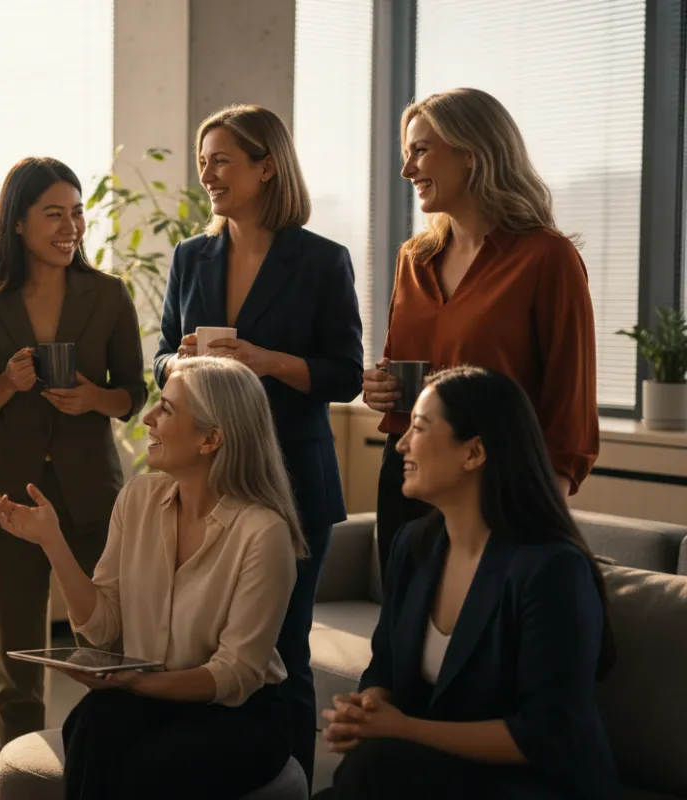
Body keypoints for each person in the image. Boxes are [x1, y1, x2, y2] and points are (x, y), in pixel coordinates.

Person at [152, 103, 363, 784]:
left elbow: (347, 374)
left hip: (294, 475)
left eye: (222, 160)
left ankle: (290, 781)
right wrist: (179, 361)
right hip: (206, 477)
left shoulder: (323, 260)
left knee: (285, 651)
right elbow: (160, 356)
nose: (207, 174)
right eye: (203, 160)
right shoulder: (191, 256)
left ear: (267, 166)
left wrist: (269, 362)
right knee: (205, 646)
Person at [0, 357, 307, 799]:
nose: (148, 417)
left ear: (211, 439)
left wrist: (138, 683)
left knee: (145, 769)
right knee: (92, 721)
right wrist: (52, 541)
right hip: (150, 695)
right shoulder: (137, 498)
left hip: (238, 711)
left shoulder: (263, 532)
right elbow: (103, 627)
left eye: (167, 409)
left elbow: (235, 674)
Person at [317, 367, 619, 800]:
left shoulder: (552, 570)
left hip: (530, 785)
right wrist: (370, 708)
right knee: (367, 768)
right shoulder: (413, 546)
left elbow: (548, 734)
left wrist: (404, 729)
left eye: (419, 427)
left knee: (372, 769)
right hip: (440, 773)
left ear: (475, 452)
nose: (401, 444)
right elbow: (385, 664)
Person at [0, 156, 146, 745]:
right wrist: (7, 384)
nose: (71, 226)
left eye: (77, 212)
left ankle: (107, 772)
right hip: (5, 501)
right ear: (18, 221)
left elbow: (132, 395)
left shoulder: (108, 295)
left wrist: (92, 398)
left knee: (107, 656)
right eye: (54, 213)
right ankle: (20, 777)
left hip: (93, 498)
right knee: (16, 674)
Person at [362, 88, 598, 579]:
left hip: (498, 484)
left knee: (482, 625)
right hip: (408, 476)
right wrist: (379, 387)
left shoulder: (547, 258)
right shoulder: (414, 259)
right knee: (405, 623)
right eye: (407, 153)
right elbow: (398, 366)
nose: (407, 170)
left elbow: (570, 403)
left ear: (471, 152)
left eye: (420, 150)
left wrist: (544, 513)